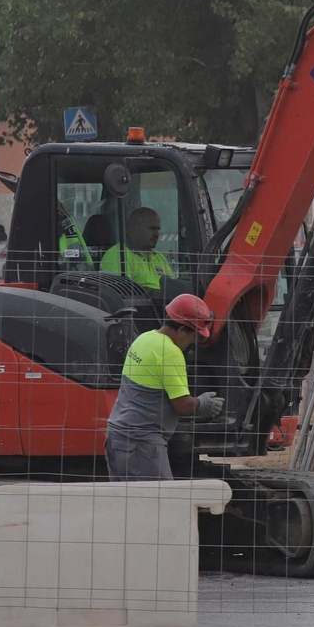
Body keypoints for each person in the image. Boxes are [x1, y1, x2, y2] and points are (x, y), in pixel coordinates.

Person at [105, 294, 225, 481]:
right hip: (141, 442)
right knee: (160, 504)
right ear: (183, 330)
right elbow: (182, 405)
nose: (193, 342)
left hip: (118, 436)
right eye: (194, 335)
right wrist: (203, 403)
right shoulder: (170, 352)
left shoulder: (144, 339)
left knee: (128, 505)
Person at [101, 206, 175, 290]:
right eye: (152, 228)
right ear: (133, 229)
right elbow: (122, 293)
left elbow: (172, 287)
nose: (157, 234)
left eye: (158, 229)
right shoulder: (118, 255)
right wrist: (155, 293)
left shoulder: (158, 257)